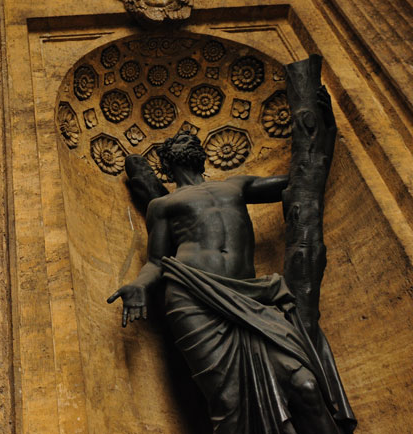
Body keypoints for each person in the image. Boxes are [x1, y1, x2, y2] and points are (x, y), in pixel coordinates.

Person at [107, 130, 355, 434]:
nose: (186, 143)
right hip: (194, 299)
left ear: (202, 154)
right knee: (228, 399)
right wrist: (139, 286)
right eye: (178, 143)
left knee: (304, 384)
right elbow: (156, 262)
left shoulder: (236, 185)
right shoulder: (162, 205)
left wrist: (321, 131)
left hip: (251, 299)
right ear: (167, 165)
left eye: (190, 141)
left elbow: (300, 179)